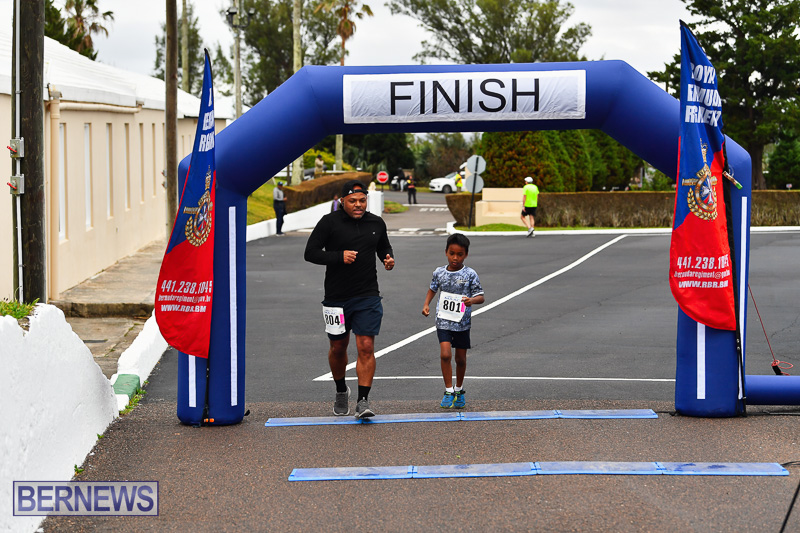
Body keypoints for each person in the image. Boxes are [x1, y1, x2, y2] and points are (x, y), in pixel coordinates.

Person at [304, 180, 395, 419]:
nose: (358, 205)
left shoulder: (376, 222)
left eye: (362, 200)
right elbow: (310, 253)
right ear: (342, 201)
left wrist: (388, 258)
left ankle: (363, 401)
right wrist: (338, 256)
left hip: (367, 295)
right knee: (338, 347)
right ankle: (341, 390)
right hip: (336, 298)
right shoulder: (329, 223)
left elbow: (384, 247)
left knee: (366, 346)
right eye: (353, 201)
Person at [422, 234, 484, 409]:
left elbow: (481, 296)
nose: (455, 258)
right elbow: (433, 288)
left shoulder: (470, 274)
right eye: (452, 253)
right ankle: (448, 390)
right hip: (443, 320)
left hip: (462, 323)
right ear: (446, 252)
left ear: (466, 254)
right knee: (445, 354)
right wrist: (426, 304)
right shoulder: (439, 272)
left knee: (461, 359)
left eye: (460, 254)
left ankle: (459, 389)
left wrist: (471, 301)